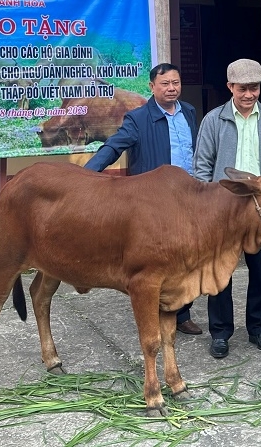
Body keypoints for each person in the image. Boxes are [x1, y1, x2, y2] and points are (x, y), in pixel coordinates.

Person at [84, 62, 202, 335]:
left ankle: (181, 312)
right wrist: (86, 176)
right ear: (152, 87)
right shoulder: (137, 118)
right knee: (158, 260)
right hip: (155, 203)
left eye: (176, 83)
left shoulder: (190, 113)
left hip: (190, 196)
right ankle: (156, 310)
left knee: (187, 256)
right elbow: (113, 146)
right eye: (165, 84)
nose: (172, 88)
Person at [193, 58, 261, 359]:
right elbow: (202, 165)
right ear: (230, 87)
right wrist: (206, 204)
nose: (249, 94)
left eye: (254, 88)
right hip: (224, 208)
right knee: (221, 272)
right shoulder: (213, 120)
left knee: (260, 271)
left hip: (258, 210)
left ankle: (258, 328)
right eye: (242, 88)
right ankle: (220, 332)